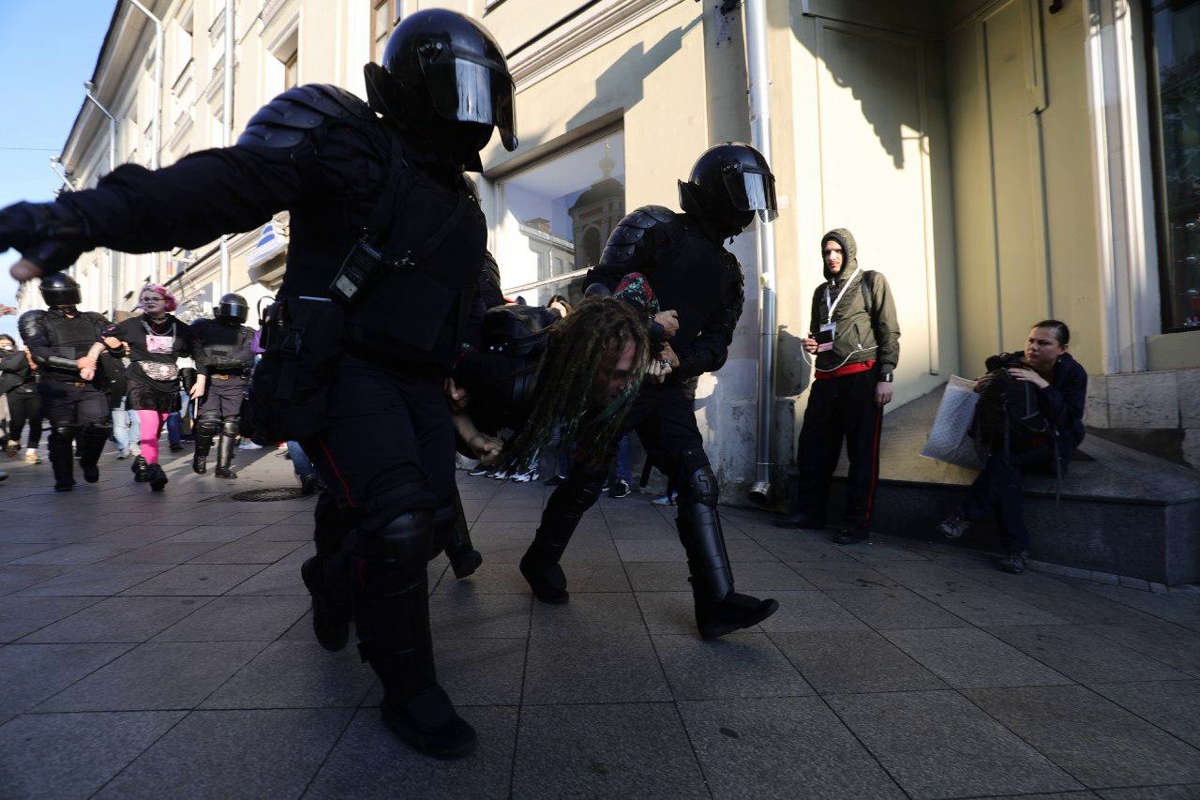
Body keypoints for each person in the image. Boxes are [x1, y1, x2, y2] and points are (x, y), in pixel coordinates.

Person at [0, 9, 517, 760]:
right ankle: (410, 694)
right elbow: (225, 184)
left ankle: (331, 579)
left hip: (419, 383)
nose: (470, 105)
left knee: (428, 523)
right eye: (457, 85)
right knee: (399, 521)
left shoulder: (463, 205)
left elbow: (470, 298)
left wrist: (505, 343)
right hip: (344, 369)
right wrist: (88, 215)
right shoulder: (347, 139)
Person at [514, 143, 781, 640]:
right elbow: (598, 290)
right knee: (586, 481)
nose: (747, 204)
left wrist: (685, 358)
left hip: (666, 388)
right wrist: (645, 327)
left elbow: (718, 341)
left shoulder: (729, 272)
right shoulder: (657, 227)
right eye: (741, 190)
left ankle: (716, 602)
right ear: (716, 188)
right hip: (617, 381)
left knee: (698, 482)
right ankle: (539, 559)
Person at [775, 228, 900, 545]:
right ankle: (810, 513)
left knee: (862, 455)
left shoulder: (872, 282)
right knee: (813, 450)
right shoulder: (822, 291)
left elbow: (889, 332)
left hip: (862, 377)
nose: (831, 257)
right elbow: (821, 333)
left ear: (849, 253)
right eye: (826, 252)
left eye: (837, 251)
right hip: (826, 380)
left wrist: (886, 376)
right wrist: (814, 344)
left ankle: (857, 524)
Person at [936, 320, 1087, 574]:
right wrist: (982, 386)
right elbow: (989, 396)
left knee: (1005, 464)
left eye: (1043, 343)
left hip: (1052, 444)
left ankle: (966, 516)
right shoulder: (1013, 364)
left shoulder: (1073, 373)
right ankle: (1015, 552)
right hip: (1012, 441)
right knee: (1007, 475)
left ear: (1062, 349)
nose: (1033, 347)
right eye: (1031, 340)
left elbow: (1070, 420)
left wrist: (1043, 385)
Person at [17, 274, 119, 491]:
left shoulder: (94, 319)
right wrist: (77, 364)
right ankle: (63, 477)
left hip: (91, 385)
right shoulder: (37, 319)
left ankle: (89, 461)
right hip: (57, 386)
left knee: (100, 426)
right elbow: (40, 354)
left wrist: (117, 346)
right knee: (63, 430)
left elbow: (115, 344)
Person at [106, 286, 205, 492]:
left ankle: (141, 461)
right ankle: (154, 469)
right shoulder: (132, 324)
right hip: (139, 380)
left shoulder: (181, 328)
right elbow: (106, 334)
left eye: (155, 298)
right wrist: (112, 346)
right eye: (146, 298)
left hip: (168, 384)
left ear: (167, 301)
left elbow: (199, 354)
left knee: (158, 426)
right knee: (149, 424)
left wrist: (201, 381)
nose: (150, 301)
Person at [191, 293, 255, 479]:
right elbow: (198, 351)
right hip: (211, 381)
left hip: (234, 382)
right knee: (208, 422)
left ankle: (223, 467)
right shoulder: (205, 327)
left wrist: (215, 360)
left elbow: (245, 358)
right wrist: (215, 361)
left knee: (231, 424)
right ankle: (201, 456)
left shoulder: (246, 332)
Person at [0, 334, 43, 464]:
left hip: (34, 389)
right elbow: (10, 365)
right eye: (2, 344)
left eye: (8, 343)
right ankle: (14, 438)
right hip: (14, 391)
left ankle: (31, 452)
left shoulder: (23, 353)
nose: (6, 346)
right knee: (17, 421)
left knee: (36, 421)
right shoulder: (15, 356)